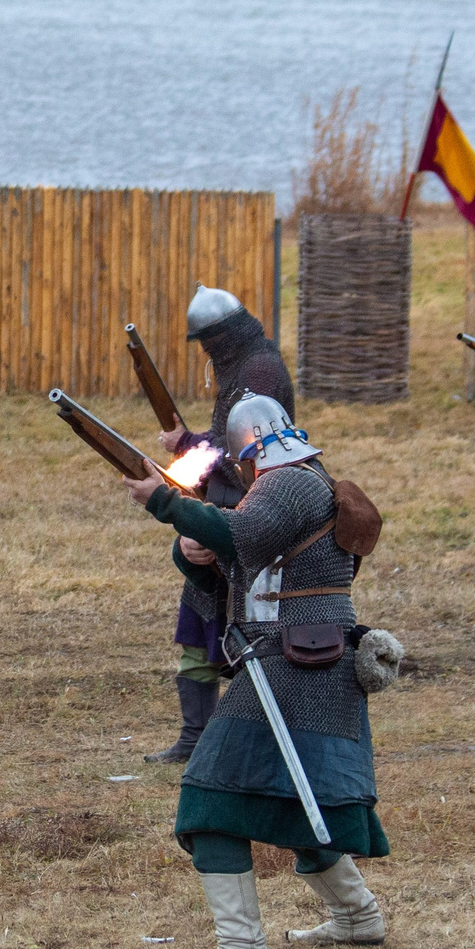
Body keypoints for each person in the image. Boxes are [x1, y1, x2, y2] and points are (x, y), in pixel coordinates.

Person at [130, 394, 396, 949]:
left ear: (249, 447)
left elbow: (243, 532)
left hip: (292, 662)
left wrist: (165, 504)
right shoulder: (294, 483)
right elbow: (240, 558)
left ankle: (243, 948)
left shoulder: (289, 483)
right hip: (290, 659)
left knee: (210, 796)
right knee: (296, 798)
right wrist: (192, 549)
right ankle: (357, 916)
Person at [148, 283, 296, 763]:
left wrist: (194, 463)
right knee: (199, 617)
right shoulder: (243, 366)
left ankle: (239, 742)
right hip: (226, 503)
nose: (208, 351)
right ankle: (196, 738)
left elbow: (250, 453)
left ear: (224, 335)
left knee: (248, 630)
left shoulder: (260, 371)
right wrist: (188, 442)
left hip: (253, 510)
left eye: (210, 340)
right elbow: (222, 440)